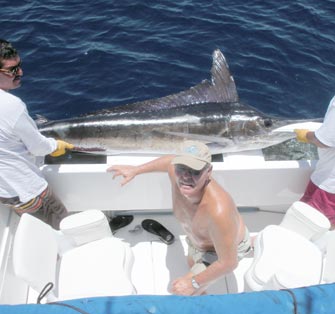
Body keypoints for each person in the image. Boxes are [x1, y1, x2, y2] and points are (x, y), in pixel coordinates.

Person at [107, 140, 251, 296]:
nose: (185, 176)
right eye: (181, 168)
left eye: (195, 171)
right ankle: (252, 243)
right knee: (190, 264)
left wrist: (193, 283)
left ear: (208, 171)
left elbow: (229, 263)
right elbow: (169, 161)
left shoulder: (219, 211)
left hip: (217, 252)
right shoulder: (175, 171)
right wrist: (136, 170)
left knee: (183, 291)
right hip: (198, 242)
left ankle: (246, 245)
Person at [0, 39, 74, 229]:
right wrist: (56, 145)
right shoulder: (11, 106)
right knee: (63, 227)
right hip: (28, 191)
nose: (21, 73)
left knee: (37, 223)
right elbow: (38, 148)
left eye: (20, 66)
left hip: (6, 192)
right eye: (13, 70)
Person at [294, 36, 335, 228]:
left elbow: (325, 140)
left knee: (303, 230)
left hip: (331, 185)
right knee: (329, 228)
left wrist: (306, 136)